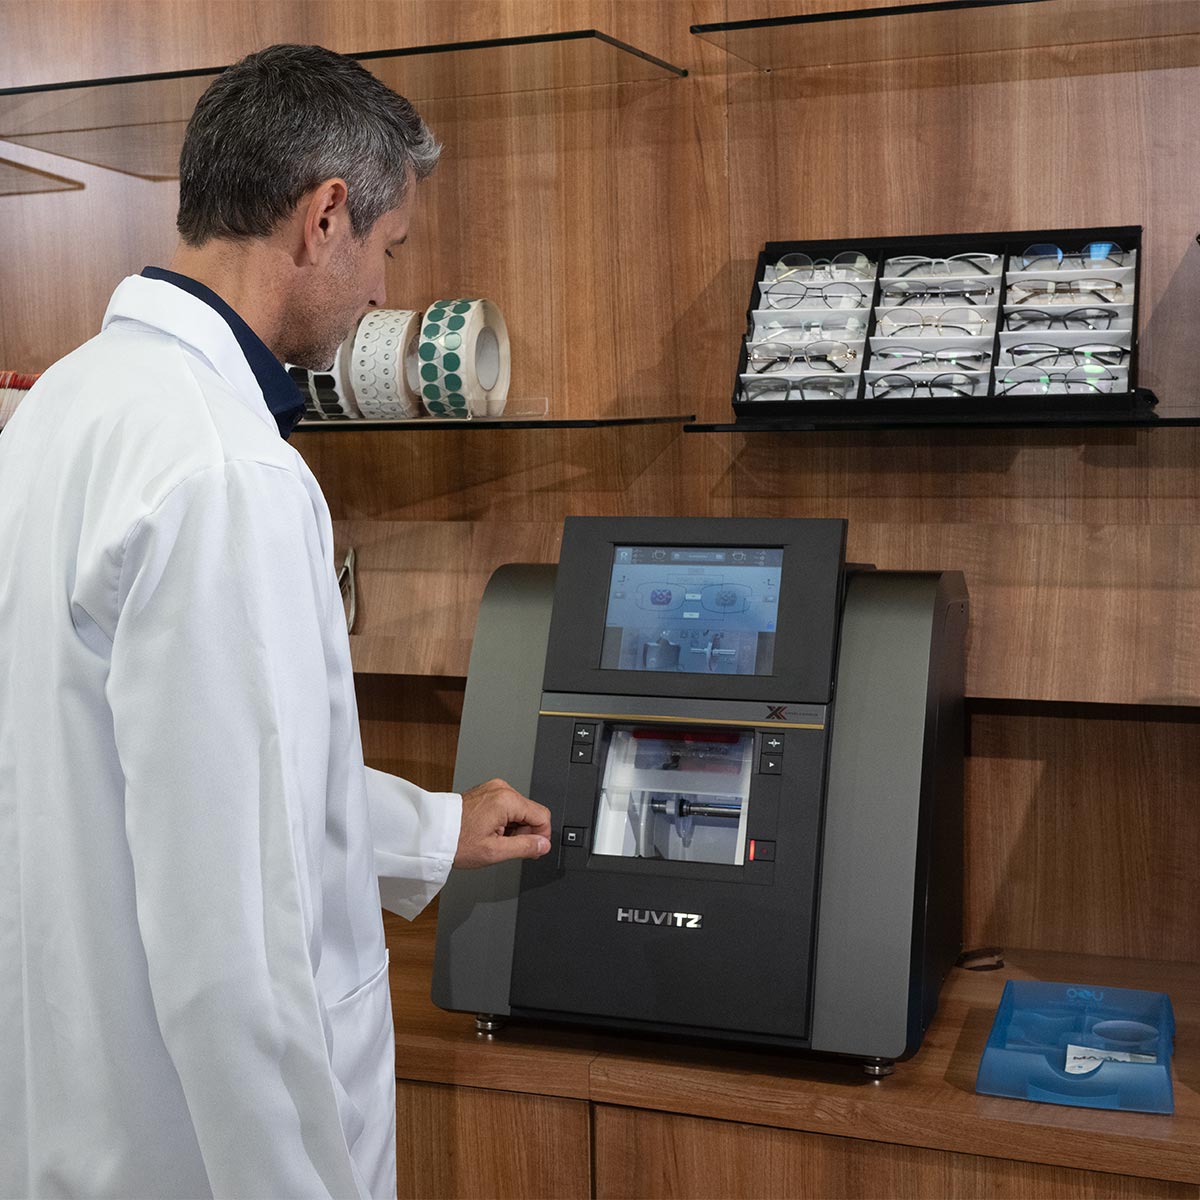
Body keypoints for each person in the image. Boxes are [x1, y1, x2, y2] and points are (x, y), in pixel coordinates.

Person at [0, 44, 551, 1200]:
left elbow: (179, 776)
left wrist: (432, 830)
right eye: (388, 250)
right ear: (325, 217)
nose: (384, 294)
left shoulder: (65, 406)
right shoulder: (226, 470)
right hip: (195, 1155)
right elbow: (240, 944)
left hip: (71, 1118)